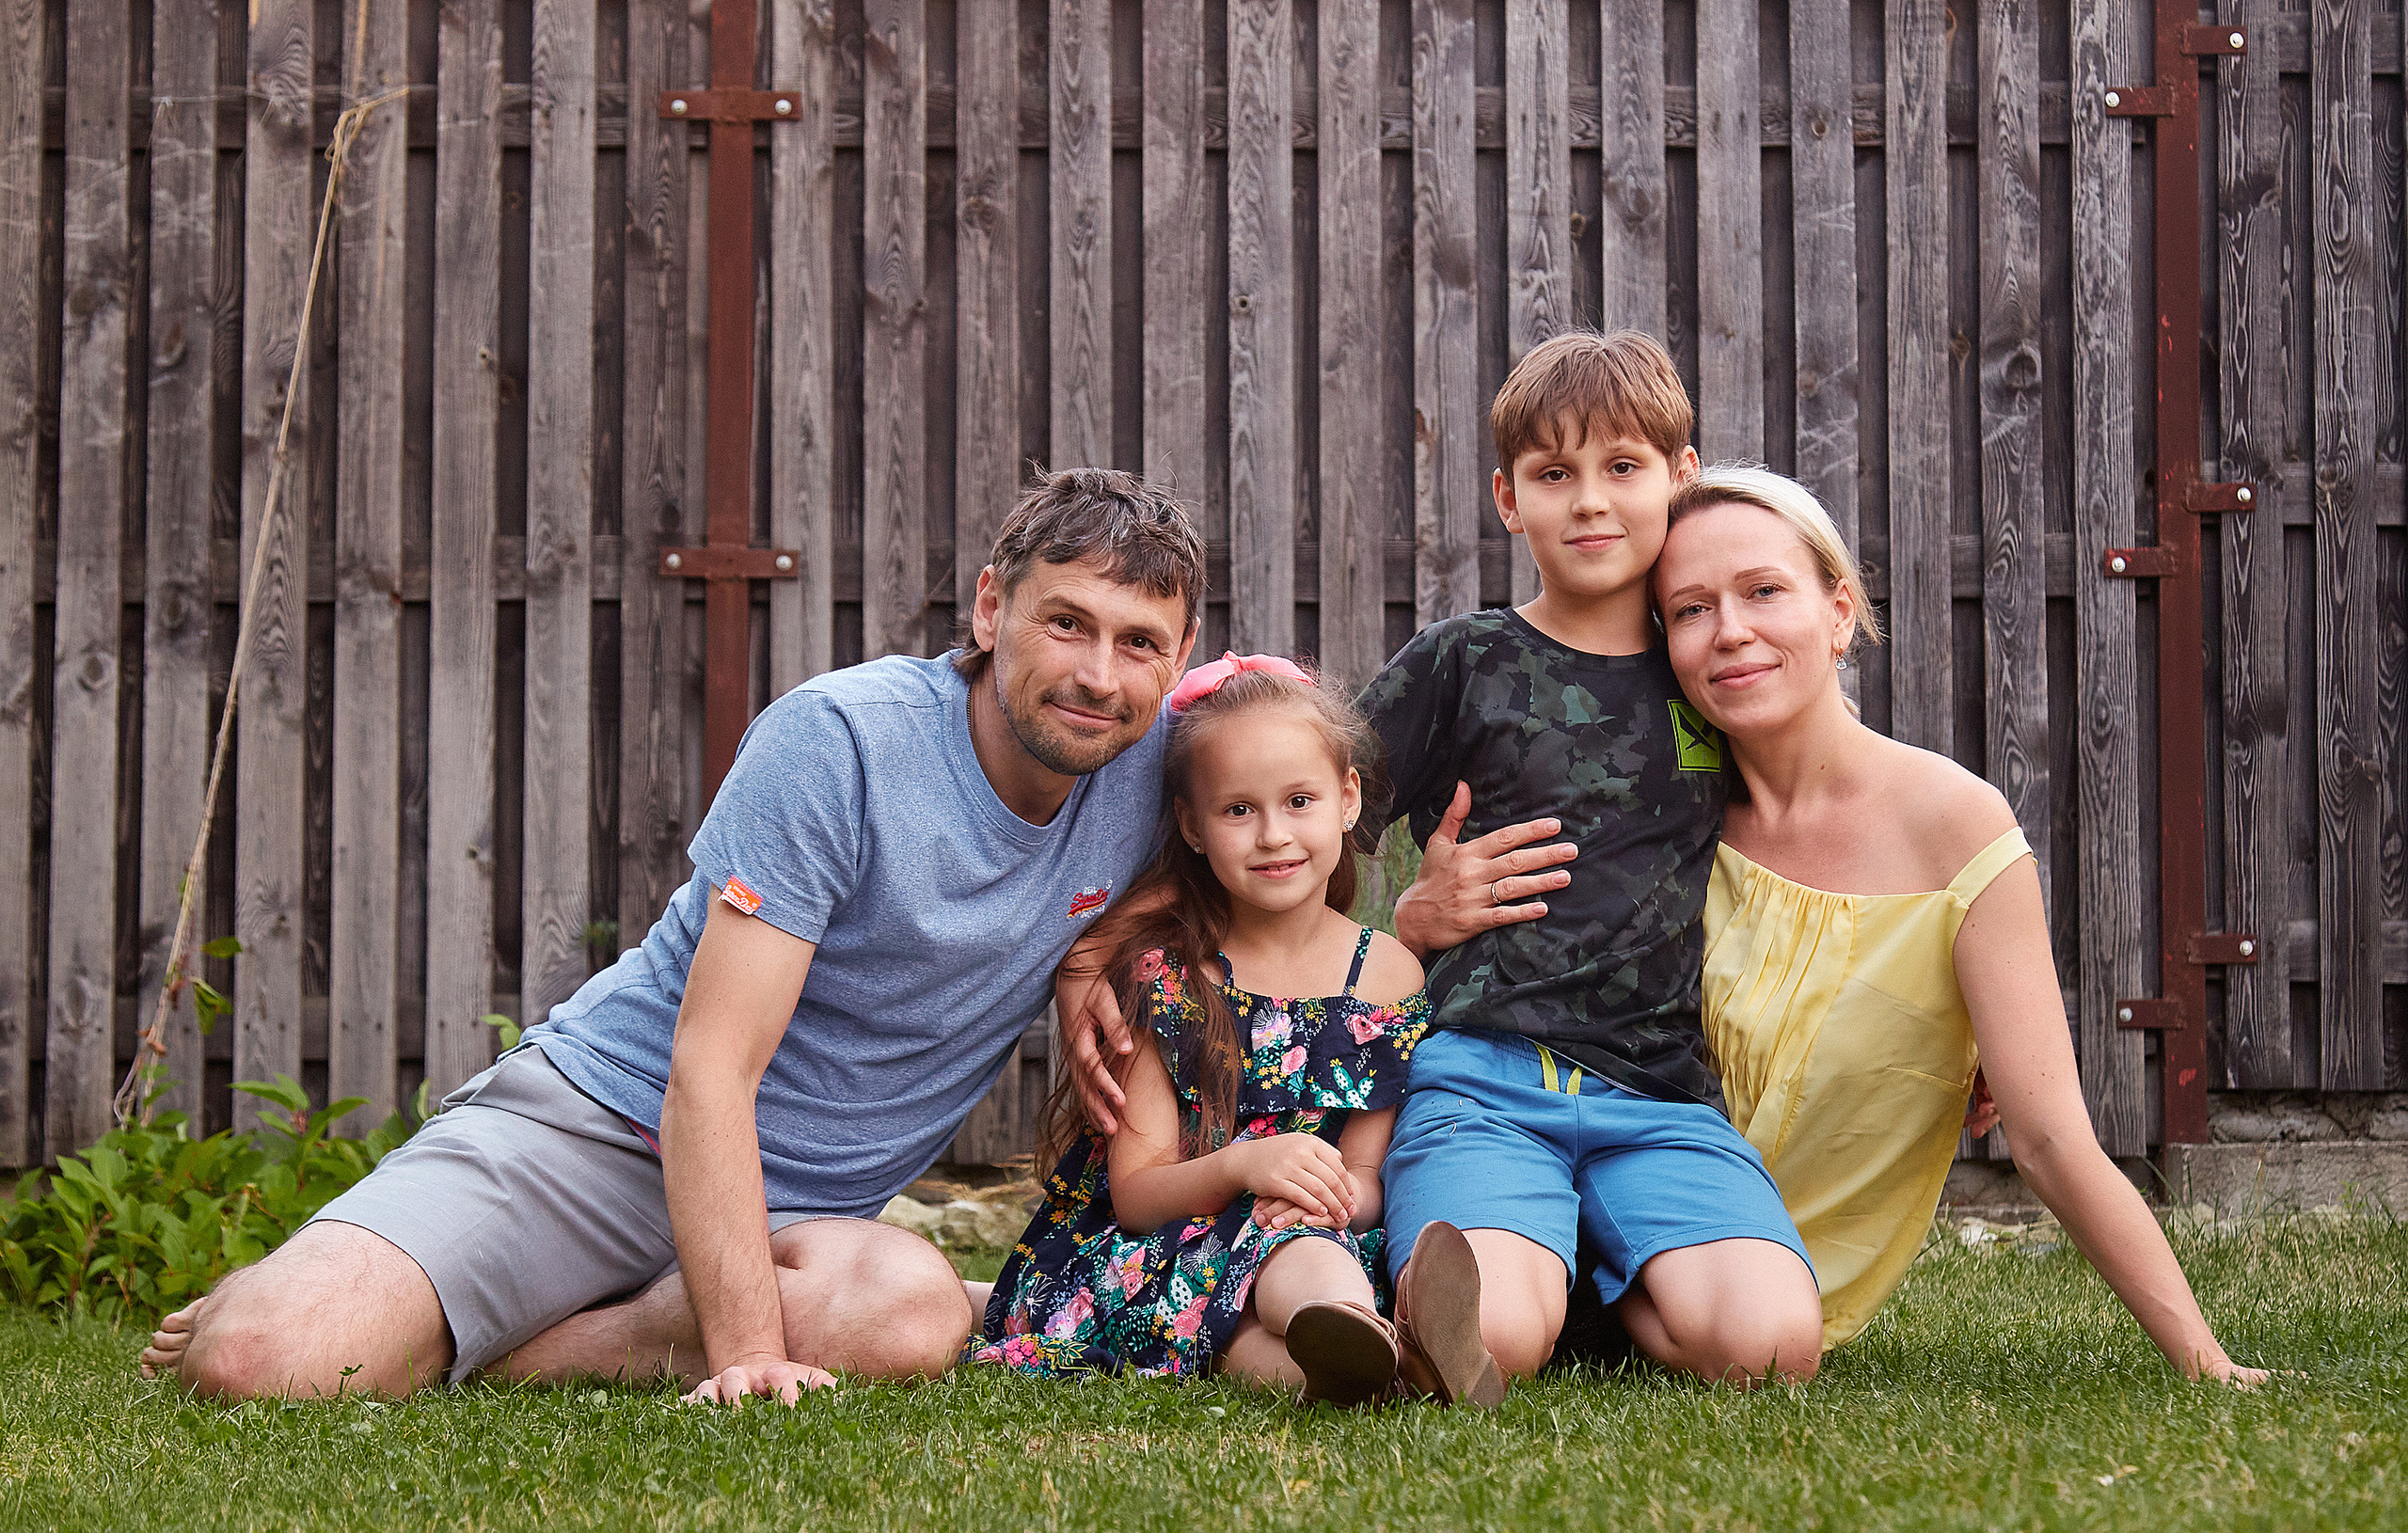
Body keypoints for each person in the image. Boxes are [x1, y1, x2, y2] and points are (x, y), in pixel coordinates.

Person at [140, 467, 1205, 1405]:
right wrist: (750, 1355)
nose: (1098, 674)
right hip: (607, 1129)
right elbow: (709, 1066)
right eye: (1066, 623)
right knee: (257, 1363)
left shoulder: (1160, 766)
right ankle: (357, 1296)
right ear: (990, 606)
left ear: (1180, 656)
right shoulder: (843, 742)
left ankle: (558, 1336)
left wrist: (1095, 946)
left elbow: (1287, 747)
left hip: (799, 1218)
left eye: (1139, 643)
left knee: (908, 1313)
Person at [1070, 329, 1826, 1391]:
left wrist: (1950, 1017)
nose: (1591, 502)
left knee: (1771, 1349)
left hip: (1658, 1091)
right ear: (1508, 499)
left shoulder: (1710, 665)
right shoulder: (1464, 663)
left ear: (1680, 476)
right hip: (1481, 1077)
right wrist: (1100, 949)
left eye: (1623, 467)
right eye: (1553, 475)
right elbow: (1302, 809)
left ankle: (1597, 1285)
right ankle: (1523, 1289)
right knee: (1494, 1337)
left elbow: (1824, 830)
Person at [1652, 465, 2266, 1382]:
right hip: (1627, 1198)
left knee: (1762, 1346)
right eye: (1691, 609)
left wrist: (2203, 1358)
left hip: (1769, 1287)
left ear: (1838, 611)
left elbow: (2050, 1138)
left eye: (1764, 590)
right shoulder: (1657, 818)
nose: (1730, 629)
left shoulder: (1953, 825)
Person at [972, 656, 1435, 1405]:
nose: (1273, 835)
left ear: (1348, 799)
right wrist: (1248, 1167)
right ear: (1192, 825)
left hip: (1312, 1235)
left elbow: (1366, 1173)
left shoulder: (1387, 977)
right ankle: (1390, 1351)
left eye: (1299, 800)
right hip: (1167, 1253)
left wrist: (1319, 1196)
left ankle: (1361, 1352)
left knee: (1288, 1265)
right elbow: (1136, 1192)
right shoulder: (1172, 977)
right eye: (1238, 810)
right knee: (1269, 1276)